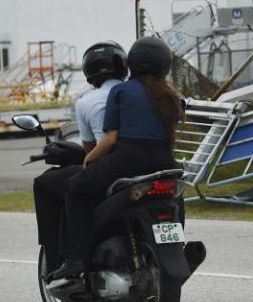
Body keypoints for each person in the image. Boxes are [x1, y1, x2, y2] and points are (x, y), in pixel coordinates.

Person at [48, 36, 182, 283]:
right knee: (173, 198)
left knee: (74, 189)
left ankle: (75, 260)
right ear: (165, 65)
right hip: (165, 161)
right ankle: (177, 244)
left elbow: (110, 139)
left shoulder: (121, 90)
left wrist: (88, 160)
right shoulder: (171, 96)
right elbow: (171, 139)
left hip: (128, 160)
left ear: (132, 63)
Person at [33, 41, 128, 272]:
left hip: (110, 165)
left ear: (90, 71)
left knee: (48, 184)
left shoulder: (87, 101)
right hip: (155, 163)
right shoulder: (140, 93)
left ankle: (64, 258)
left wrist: (88, 159)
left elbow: (92, 146)